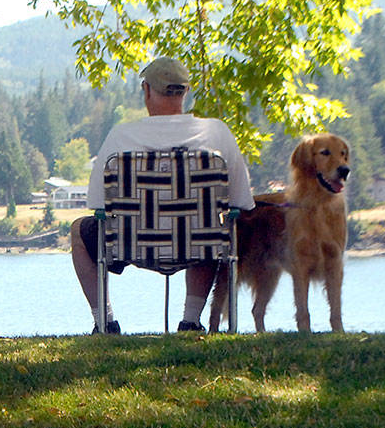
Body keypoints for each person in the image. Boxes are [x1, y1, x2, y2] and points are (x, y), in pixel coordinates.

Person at [70, 58, 255, 334]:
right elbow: (242, 203)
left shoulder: (121, 137)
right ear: (186, 91)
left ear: (146, 90)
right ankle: (191, 320)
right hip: (198, 246)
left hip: (132, 244)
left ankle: (105, 321)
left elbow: (98, 205)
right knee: (211, 223)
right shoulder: (216, 132)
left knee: (78, 230)